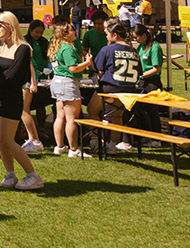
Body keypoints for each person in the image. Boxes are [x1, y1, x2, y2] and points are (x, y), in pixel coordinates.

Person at [0, 11, 44, 190]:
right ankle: (10, 174)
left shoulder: (23, 48)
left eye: (0, 25)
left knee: (8, 140)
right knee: (0, 140)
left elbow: (12, 77)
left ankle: (33, 176)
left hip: (10, 99)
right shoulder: (0, 46)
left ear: (11, 26)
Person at [93, 22, 143, 153]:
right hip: (128, 89)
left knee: (92, 110)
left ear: (114, 35)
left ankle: (96, 140)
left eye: (107, 34)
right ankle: (112, 145)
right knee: (116, 116)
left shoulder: (107, 49)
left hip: (109, 87)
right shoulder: (134, 50)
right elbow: (140, 72)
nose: (106, 37)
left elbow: (99, 68)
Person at [48, 23, 91, 157]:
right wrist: (87, 62)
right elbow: (73, 68)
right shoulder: (67, 48)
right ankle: (73, 149)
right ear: (64, 34)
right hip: (68, 82)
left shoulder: (56, 46)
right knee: (72, 118)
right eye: (72, 30)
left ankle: (59, 146)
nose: (75, 32)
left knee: (60, 116)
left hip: (57, 81)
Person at [20, 19, 50, 154]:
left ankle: (41, 128)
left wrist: (49, 67)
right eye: (36, 32)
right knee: (25, 107)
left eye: (41, 32)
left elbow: (47, 56)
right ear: (30, 30)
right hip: (31, 76)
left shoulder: (44, 42)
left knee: (41, 103)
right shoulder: (25, 41)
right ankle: (26, 132)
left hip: (43, 74)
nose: (38, 34)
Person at [132, 23, 164, 137]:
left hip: (152, 83)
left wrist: (142, 75)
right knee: (138, 109)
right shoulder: (140, 47)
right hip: (142, 82)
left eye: (136, 37)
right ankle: (144, 134)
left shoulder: (155, 47)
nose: (135, 39)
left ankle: (157, 137)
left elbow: (156, 68)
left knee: (152, 111)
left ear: (144, 35)